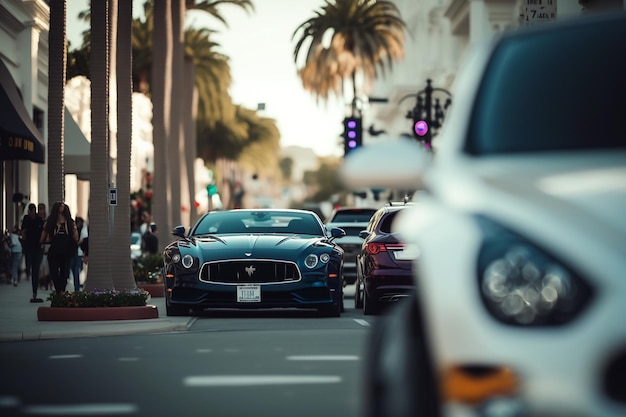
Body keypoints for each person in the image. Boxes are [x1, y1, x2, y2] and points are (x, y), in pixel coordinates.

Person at [40, 201, 79, 294]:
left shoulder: (69, 222)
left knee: (65, 272)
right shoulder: (51, 221)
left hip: (66, 251)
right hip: (54, 251)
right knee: (54, 272)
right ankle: (58, 290)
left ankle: (61, 290)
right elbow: (44, 233)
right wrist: (41, 241)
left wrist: (75, 231)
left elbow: (75, 236)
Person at [21, 203, 45, 302]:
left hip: (37, 248)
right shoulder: (26, 219)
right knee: (29, 265)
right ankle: (27, 271)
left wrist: (42, 242)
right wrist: (25, 240)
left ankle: (34, 292)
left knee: (36, 269)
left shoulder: (39, 220)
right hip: (29, 247)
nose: (32, 214)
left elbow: (43, 231)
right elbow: (23, 231)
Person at [69, 217, 88, 292]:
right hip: (75, 252)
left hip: (78, 252)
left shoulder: (82, 229)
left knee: (76, 270)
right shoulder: (75, 230)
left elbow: (82, 240)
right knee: (75, 270)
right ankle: (76, 288)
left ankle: (76, 288)